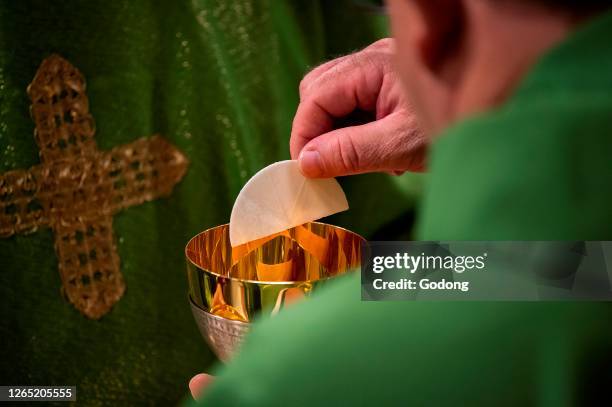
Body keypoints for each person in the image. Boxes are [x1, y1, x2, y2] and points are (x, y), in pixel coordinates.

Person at [189, 0, 612, 405]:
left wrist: (288, 379)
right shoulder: (582, 269)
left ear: (432, 11)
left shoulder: (289, 385)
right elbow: (564, 272)